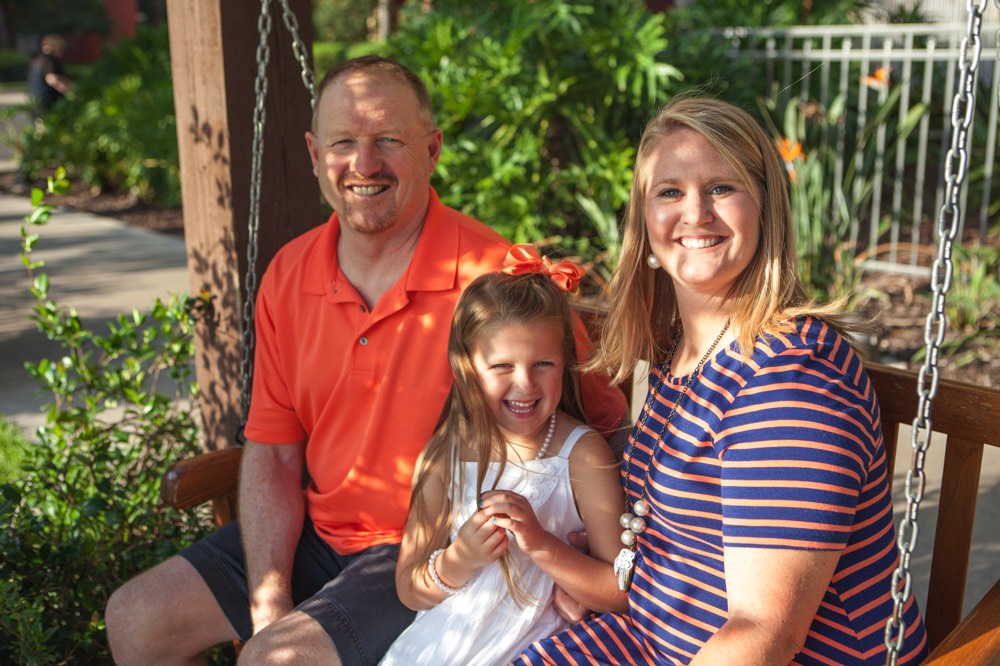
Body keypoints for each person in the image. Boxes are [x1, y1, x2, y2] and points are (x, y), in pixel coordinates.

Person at [104, 56, 626, 665]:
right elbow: (273, 450)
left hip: (426, 546)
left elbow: (599, 422)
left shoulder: (496, 282)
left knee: (276, 662)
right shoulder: (288, 273)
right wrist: (269, 600)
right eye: (343, 142)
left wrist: (574, 562)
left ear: (432, 150)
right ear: (313, 152)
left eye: (388, 141)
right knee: (136, 618)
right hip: (317, 532)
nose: (364, 164)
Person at [514, 96, 928, 665]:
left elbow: (766, 635)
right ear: (645, 220)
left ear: (765, 207)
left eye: (722, 188)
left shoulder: (792, 380)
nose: (696, 213)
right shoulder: (678, 353)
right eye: (670, 192)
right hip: (653, 636)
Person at [381, 247, 628, 665]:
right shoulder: (448, 453)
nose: (524, 383)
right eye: (501, 366)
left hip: (539, 649)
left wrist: (541, 544)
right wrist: (460, 559)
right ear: (466, 369)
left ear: (564, 361)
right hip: (443, 646)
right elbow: (410, 589)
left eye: (543, 363)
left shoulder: (582, 456)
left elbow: (618, 592)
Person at [26, 34, 71, 119]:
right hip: (47, 103)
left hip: (35, 100)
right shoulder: (49, 60)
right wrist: (70, 91)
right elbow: (52, 79)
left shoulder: (36, 59)